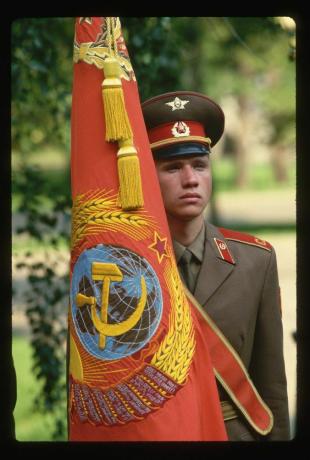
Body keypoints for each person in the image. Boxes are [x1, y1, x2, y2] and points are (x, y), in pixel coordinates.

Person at [141, 90, 291, 441]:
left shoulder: (256, 261)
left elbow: (272, 386)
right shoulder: (127, 268)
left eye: (200, 165)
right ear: (148, 175)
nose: (190, 179)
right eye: (173, 167)